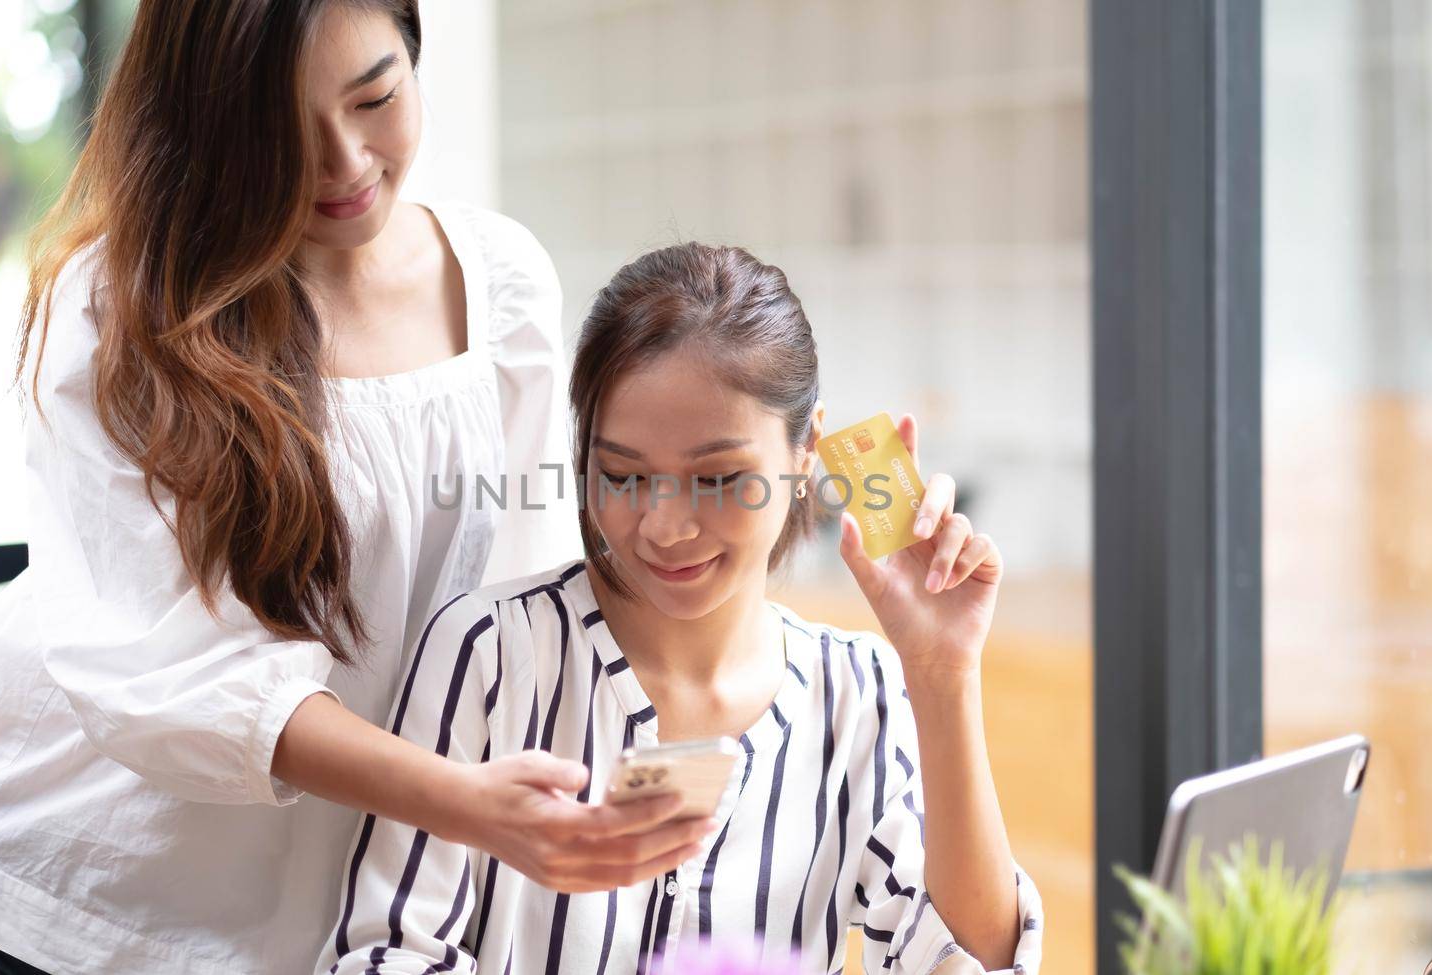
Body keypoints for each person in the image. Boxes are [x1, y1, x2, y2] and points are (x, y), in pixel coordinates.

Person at [0, 3, 709, 973]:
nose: (346, 162)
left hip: (251, 940)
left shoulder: (502, 288)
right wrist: (463, 803)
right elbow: (164, 677)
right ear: (210, 127)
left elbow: (512, 614)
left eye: (376, 96)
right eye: (282, 131)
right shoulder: (120, 304)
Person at [319, 243, 1044, 974]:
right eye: (623, 475)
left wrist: (942, 672)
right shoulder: (490, 653)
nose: (664, 526)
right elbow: (385, 953)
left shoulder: (859, 692)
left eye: (718, 477)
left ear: (805, 452)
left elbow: (970, 960)